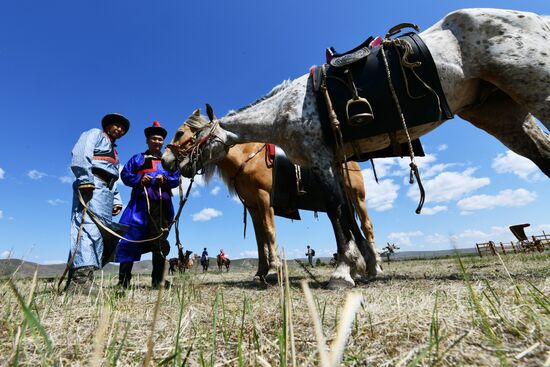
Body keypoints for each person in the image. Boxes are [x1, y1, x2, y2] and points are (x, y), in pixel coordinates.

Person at [66, 113, 130, 293]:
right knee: (87, 226)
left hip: (105, 191)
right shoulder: (94, 134)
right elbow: (81, 152)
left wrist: (116, 199)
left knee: (100, 232)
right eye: (116, 126)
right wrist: (85, 178)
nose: (120, 129)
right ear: (107, 126)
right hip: (92, 184)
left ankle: (83, 278)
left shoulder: (114, 151)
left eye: (123, 128)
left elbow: (112, 176)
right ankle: (80, 281)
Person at [115, 121, 180, 289]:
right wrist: (139, 179)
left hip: (162, 206)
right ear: (147, 141)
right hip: (139, 206)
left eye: (159, 139)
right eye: (153, 139)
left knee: (159, 242)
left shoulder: (168, 161)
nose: (157, 142)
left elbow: (175, 178)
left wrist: (165, 179)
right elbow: (125, 175)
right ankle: (123, 282)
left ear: (163, 142)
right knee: (129, 239)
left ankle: (158, 281)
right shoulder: (138, 158)